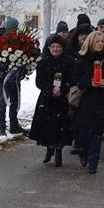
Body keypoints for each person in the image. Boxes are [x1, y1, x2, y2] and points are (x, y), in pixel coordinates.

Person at [73, 31, 104, 174]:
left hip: (102, 100)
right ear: (91, 42)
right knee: (84, 132)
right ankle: (83, 153)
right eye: (97, 41)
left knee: (97, 133)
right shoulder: (82, 59)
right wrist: (89, 83)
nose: (100, 44)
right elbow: (77, 79)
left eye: (102, 41)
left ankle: (93, 162)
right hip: (86, 100)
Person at [29, 35, 74, 166]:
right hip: (47, 99)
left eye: (58, 47)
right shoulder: (43, 63)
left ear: (62, 48)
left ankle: (59, 151)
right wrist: (51, 89)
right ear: (49, 48)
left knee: (61, 126)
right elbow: (39, 82)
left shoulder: (69, 62)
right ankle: (49, 148)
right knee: (47, 126)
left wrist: (63, 89)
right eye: (53, 46)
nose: (55, 49)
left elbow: (72, 79)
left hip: (62, 99)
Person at [0, 16, 24, 135]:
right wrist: (3, 71)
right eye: (14, 29)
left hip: (15, 76)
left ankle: (14, 125)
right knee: (3, 100)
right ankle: (1, 126)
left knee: (15, 100)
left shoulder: (17, 39)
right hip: (3, 77)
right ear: (9, 29)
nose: (16, 31)